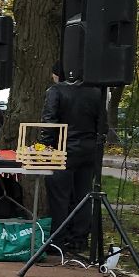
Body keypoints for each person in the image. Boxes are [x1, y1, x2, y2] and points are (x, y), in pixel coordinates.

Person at [43, 63, 109, 256]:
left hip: (63, 150)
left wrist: (46, 148)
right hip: (89, 152)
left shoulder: (55, 91)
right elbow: (103, 126)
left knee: (59, 197)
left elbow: (49, 122)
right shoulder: (96, 92)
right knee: (83, 196)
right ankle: (79, 240)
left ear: (57, 75)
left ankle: (58, 241)